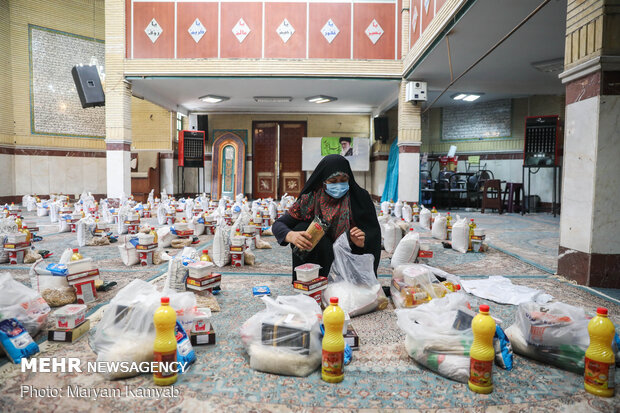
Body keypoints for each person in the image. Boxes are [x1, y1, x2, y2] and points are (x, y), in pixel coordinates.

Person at [272, 155, 381, 282]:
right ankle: (309, 281)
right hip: (320, 258)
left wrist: (361, 242)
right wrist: (291, 236)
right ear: (323, 181)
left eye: (343, 180)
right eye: (333, 181)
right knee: (301, 228)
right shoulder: (310, 199)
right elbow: (278, 224)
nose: (339, 185)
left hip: (349, 256)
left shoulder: (359, 198)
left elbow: (373, 235)